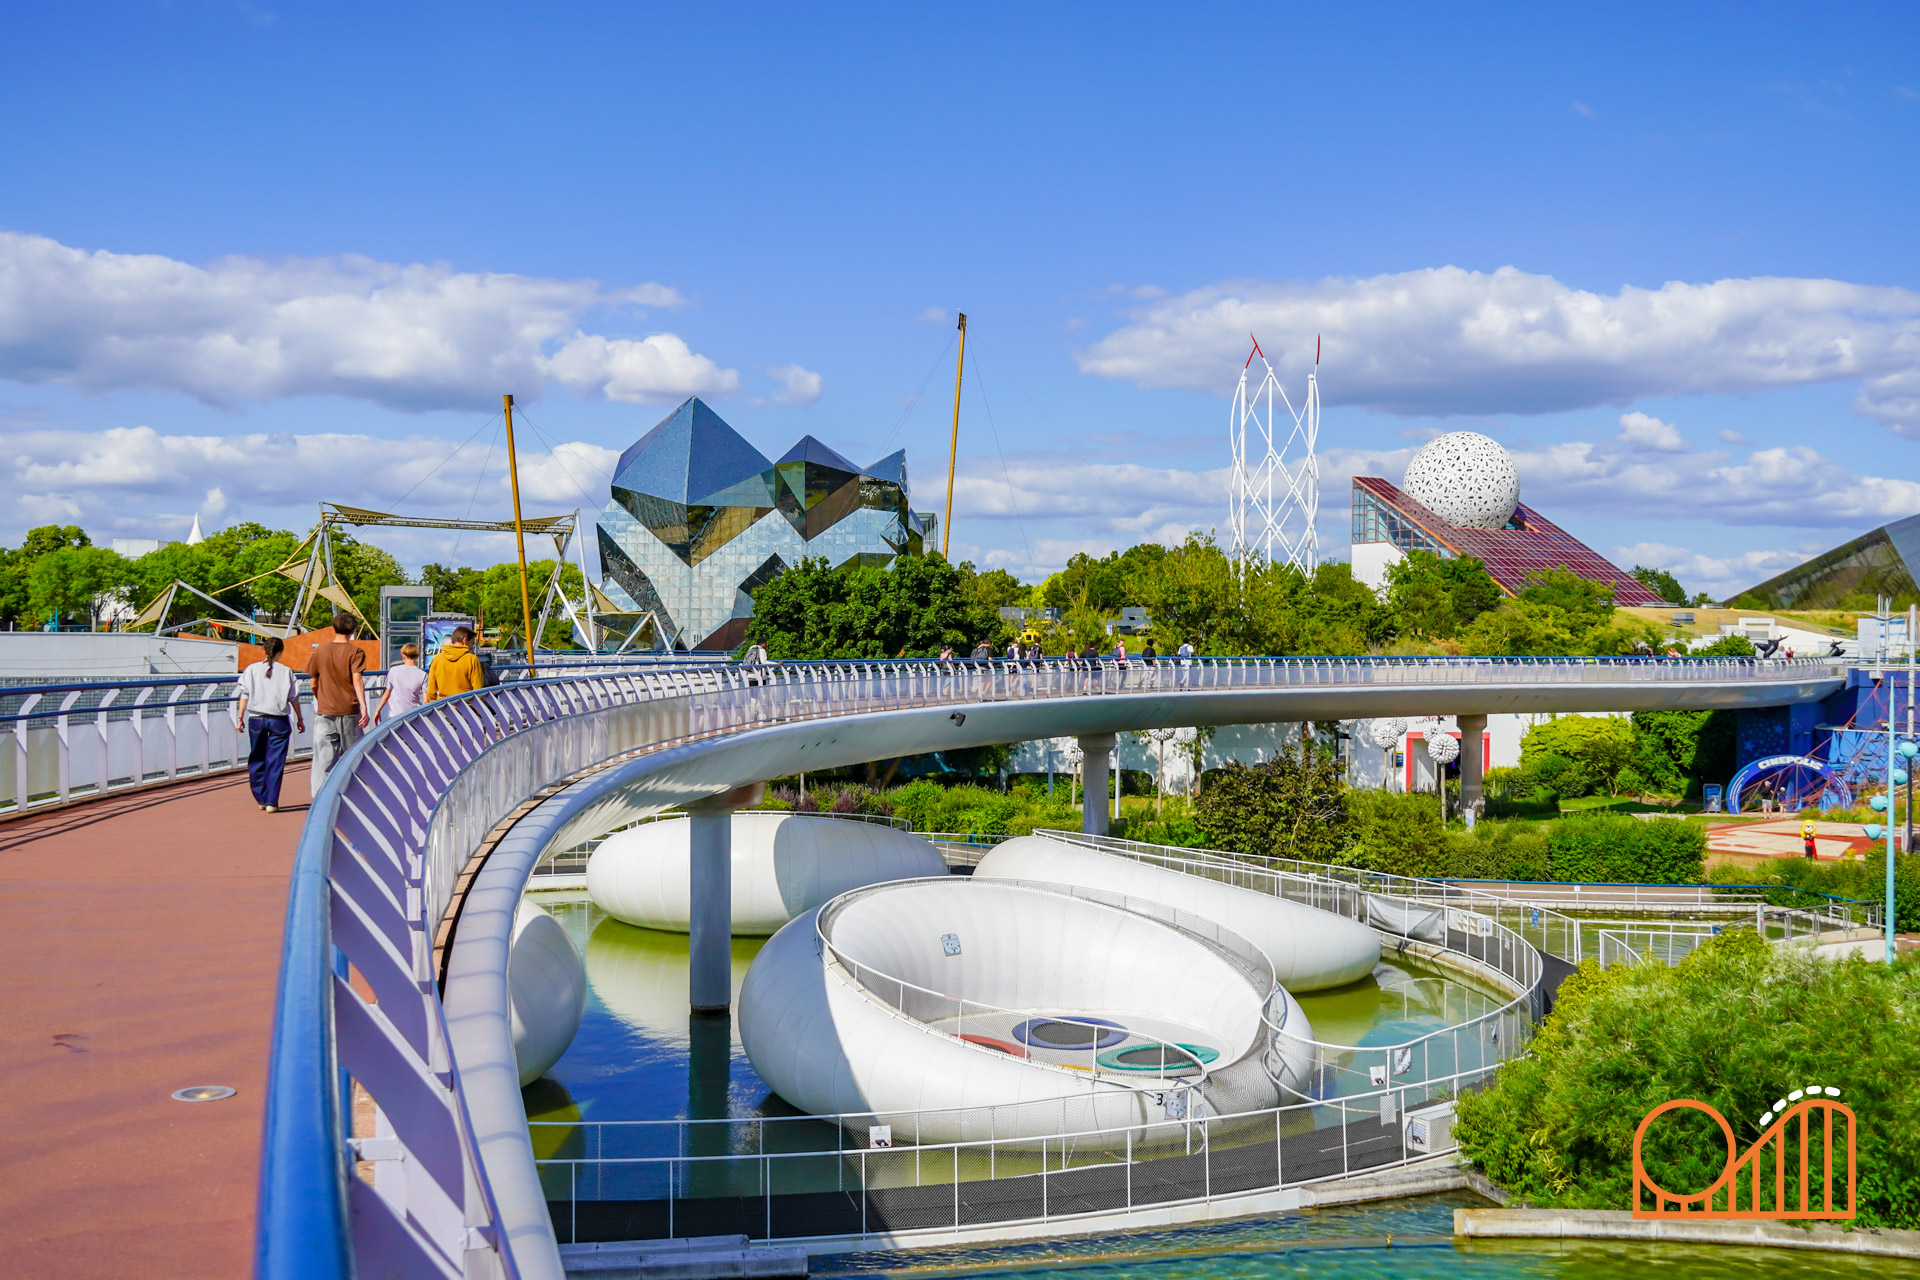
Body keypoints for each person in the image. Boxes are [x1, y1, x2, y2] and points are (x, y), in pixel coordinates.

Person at [236, 635, 304, 811]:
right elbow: (294, 698)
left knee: (256, 758)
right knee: (276, 761)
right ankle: (271, 802)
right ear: (280, 652)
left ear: (264, 650)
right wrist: (300, 719)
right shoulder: (286, 671)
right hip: (278, 720)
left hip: (256, 719)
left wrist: (240, 717)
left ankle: (261, 797)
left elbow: (244, 694)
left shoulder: (251, 669)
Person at [305, 611, 370, 796]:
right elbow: (357, 680)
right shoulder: (356, 652)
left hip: (325, 711)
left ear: (334, 628)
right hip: (350, 710)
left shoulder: (320, 651)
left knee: (323, 760)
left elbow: (313, 683)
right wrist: (364, 706)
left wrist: (322, 699)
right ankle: (353, 796)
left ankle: (321, 799)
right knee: (353, 757)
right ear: (353, 630)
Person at [426, 625, 485, 702]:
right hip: (466, 705)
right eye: (472, 643)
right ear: (465, 640)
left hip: (443, 705)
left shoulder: (437, 659)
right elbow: (478, 689)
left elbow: (431, 690)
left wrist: (434, 705)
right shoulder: (472, 659)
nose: (472, 647)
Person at [373, 643, 427, 724]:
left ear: (403, 656)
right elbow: (426, 700)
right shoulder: (423, 674)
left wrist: (378, 710)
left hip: (396, 715)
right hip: (414, 715)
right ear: (417, 656)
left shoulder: (394, 671)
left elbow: (387, 694)